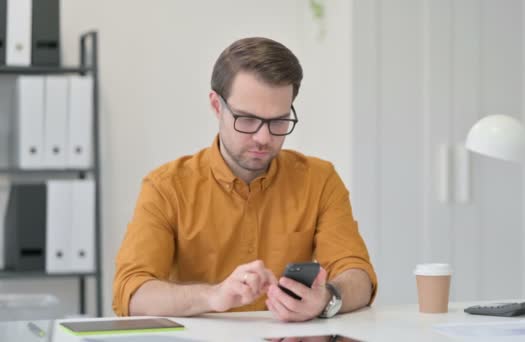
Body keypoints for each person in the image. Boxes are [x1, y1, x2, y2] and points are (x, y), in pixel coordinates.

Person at [112, 37, 377, 322]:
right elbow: (131, 293)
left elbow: (359, 276)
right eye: (247, 119)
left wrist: (327, 298)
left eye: (278, 121)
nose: (263, 138)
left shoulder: (319, 179)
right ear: (217, 106)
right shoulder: (166, 187)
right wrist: (213, 296)